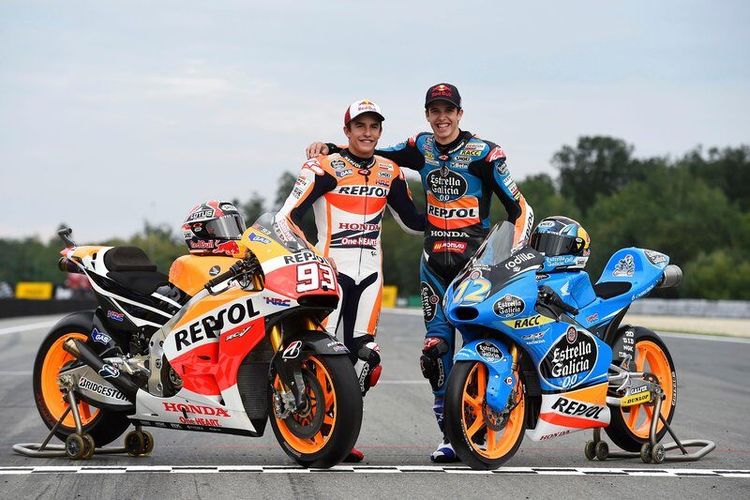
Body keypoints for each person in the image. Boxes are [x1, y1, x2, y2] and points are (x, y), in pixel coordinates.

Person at [306, 83, 534, 462]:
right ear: (427, 114)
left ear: (460, 113)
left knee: (479, 347)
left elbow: (521, 209)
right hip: (433, 265)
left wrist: (515, 255)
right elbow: (371, 151)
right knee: (435, 352)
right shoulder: (421, 146)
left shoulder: (486, 154)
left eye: (448, 110)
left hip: (476, 268)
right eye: (435, 110)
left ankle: (481, 429)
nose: (442, 118)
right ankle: (450, 435)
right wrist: (329, 147)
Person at [276, 99, 425, 462]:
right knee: (321, 353)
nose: (367, 133)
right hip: (331, 272)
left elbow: (412, 222)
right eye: (360, 126)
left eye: (373, 126)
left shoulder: (390, 171)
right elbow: (285, 218)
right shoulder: (323, 166)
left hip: (371, 273)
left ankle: (339, 434)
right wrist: (308, 256)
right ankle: (315, 430)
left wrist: (456, 219)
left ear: (380, 131)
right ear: (347, 131)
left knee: (367, 358)